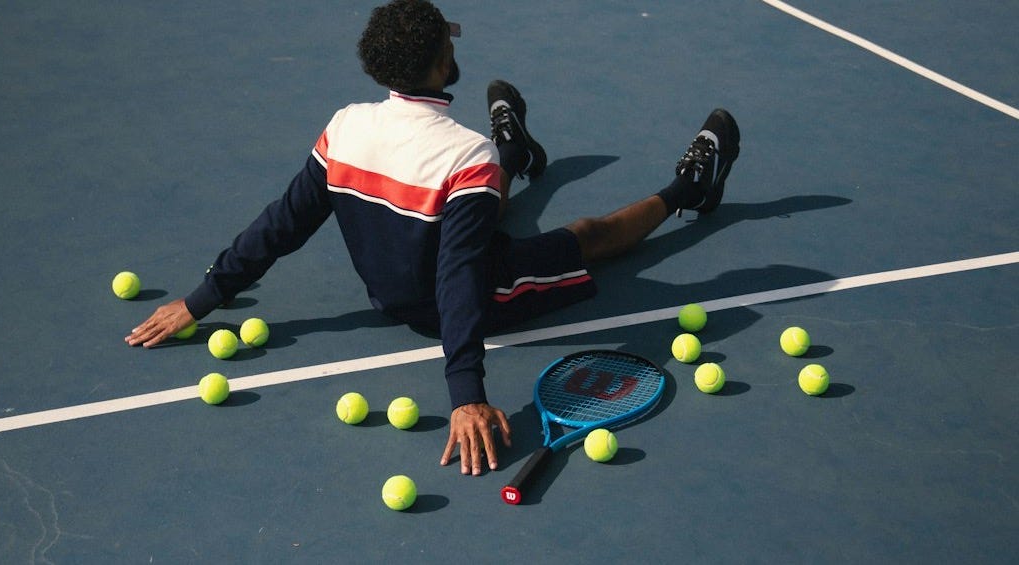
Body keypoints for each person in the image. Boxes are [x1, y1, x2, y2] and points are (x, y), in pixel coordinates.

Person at [125, 0, 740, 477]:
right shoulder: (462, 156)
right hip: (447, 300)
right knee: (588, 234)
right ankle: (690, 188)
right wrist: (466, 393)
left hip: (405, 268)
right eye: (448, 40)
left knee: (473, 202)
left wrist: (202, 298)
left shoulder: (345, 127)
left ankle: (515, 150)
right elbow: (460, 275)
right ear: (439, 63)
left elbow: (282, 223)